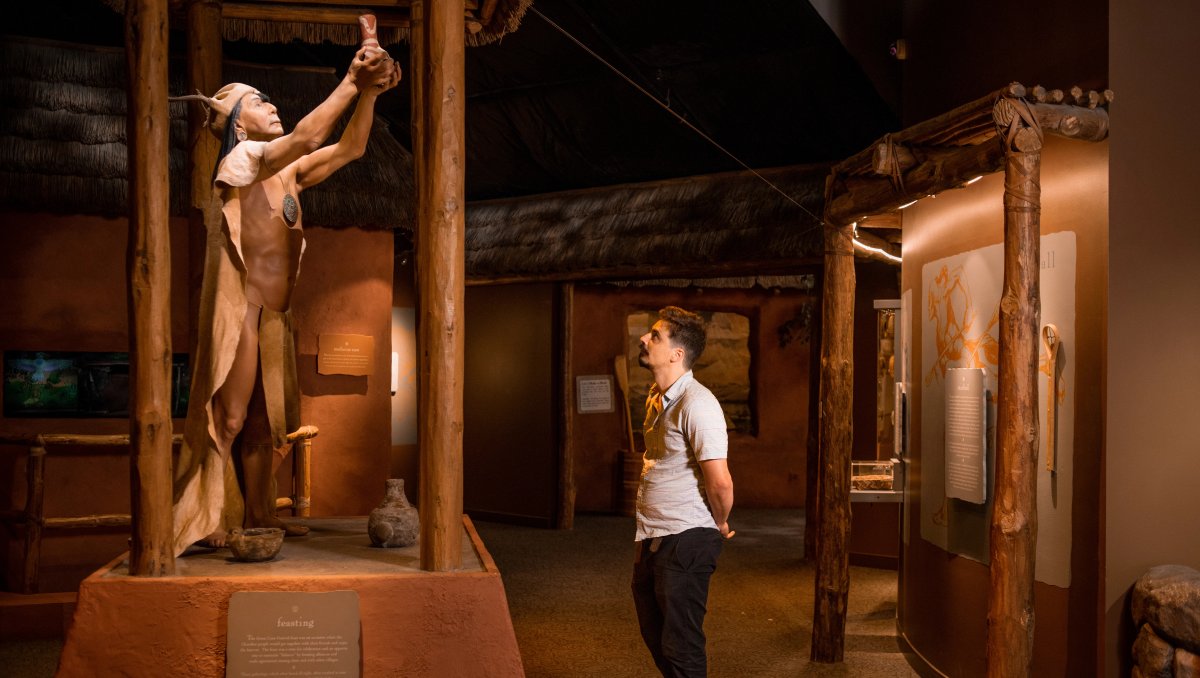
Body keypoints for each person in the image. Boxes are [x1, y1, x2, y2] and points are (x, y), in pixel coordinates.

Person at [170, 46, 402, 555]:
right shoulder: (243, 159)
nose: (272, 106)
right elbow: (309, 136)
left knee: (266, 424)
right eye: (259, 102)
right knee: (227, 420)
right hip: (241, 308)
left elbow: (350, 148)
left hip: (274, 313)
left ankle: (254, 515)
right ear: (236, 123)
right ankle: (202, 518)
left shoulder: (288, 173)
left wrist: (370, 93)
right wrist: (352, 78)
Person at [632, 306, 735, 677]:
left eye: (655, 336)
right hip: (654, 535)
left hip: (686, 538)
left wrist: (719, 523)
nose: (644, 339)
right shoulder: (657, 398)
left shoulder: (698, 404)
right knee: (656, 634)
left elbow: (720, 481)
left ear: (677, 354)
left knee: (681, 644)